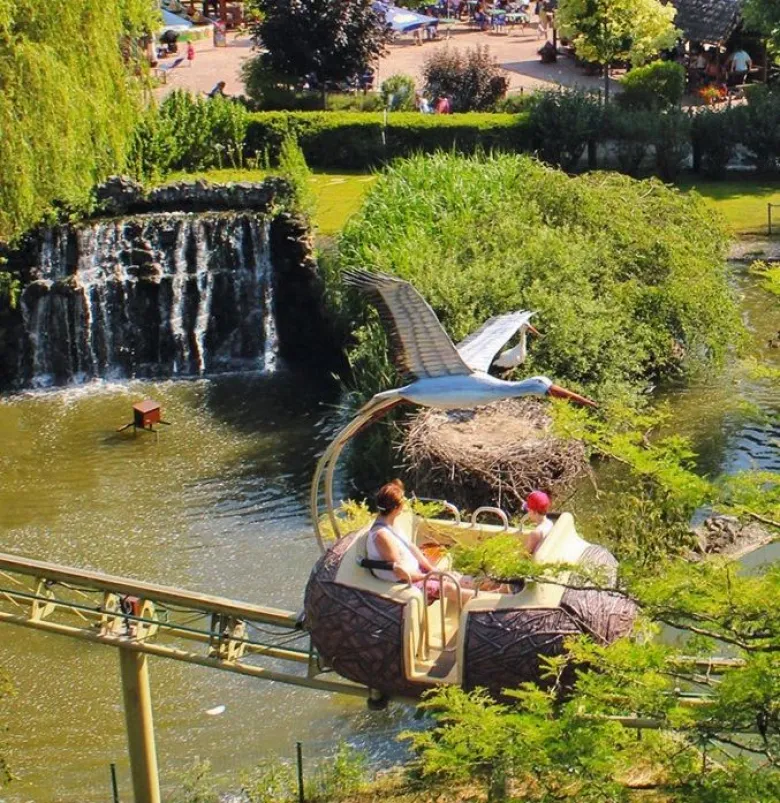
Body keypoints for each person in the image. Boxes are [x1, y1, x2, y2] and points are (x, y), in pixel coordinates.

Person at [366, 480, 476, 603]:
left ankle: (497, 591)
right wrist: (427, 576)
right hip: (408, 581)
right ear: (397, 508)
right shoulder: (382, 535)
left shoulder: (391, 524)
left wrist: (432, 570)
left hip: (417, 573)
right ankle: (484, 605)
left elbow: (411, 547)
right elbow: (401, 572)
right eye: (403, 500)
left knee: (458, 578)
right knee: (449, 587)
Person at [521, 490, 554, 554]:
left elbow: (525, 554)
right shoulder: (550, 523)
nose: (528, 512)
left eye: (528, 509)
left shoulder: (536, 533)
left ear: (533, 512)